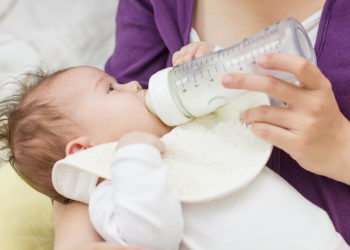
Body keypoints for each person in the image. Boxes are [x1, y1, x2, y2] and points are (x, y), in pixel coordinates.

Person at [52, 0, 350, 248]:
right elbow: (77, 127)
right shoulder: (119, 184)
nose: (132, 85)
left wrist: (340, 147)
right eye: (112, 88)